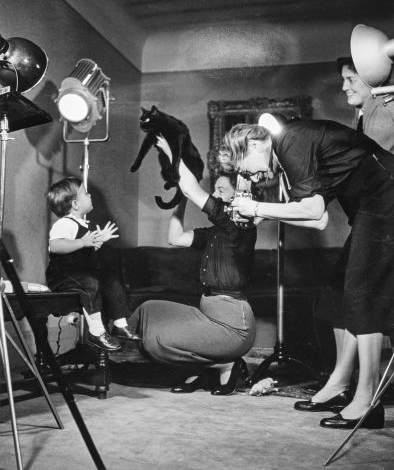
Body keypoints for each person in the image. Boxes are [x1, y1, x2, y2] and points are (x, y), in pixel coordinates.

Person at [222, 120, 394, 429]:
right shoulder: (287, 154)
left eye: (246, 170)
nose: (250, 177)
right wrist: (259, 211)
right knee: (337, 293)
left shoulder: (290, 143)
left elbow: (313, 211)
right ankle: (339, 384)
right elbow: (319, 220)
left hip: (387, 201)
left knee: (361, 295)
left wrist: (257, 207)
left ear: (256, 145)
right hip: (374, 205)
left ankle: (368, 401)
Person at [129, 136, 257, 395]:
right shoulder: (216, 232)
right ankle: (114, 347)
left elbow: (191, 187)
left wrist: (170, 151)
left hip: (233, 325)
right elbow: (174, 238)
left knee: (158, 341)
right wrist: (181, 202)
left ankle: (222, 364)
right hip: (207, 312)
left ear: (239, 195)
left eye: (222, 190)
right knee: (149, 309)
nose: (215, 195)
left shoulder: (239, 227)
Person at [46, 177, 140, 352]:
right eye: (86, 193)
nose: (90, 196)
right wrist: (83, 243)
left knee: (110, 278)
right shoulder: (65, 223)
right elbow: (55, 246)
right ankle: (96, 332)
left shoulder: (83, 225)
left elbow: (84, 254)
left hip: (80, 273)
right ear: (75, 204)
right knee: (91, 282)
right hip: (63, 276)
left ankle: (120, 323)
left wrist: (96, 243)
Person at [337, 56, 394, 153]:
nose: (344, 87)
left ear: (371, 79)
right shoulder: (359, 110)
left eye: (351, 79)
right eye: (343, 80)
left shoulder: (390, 104)